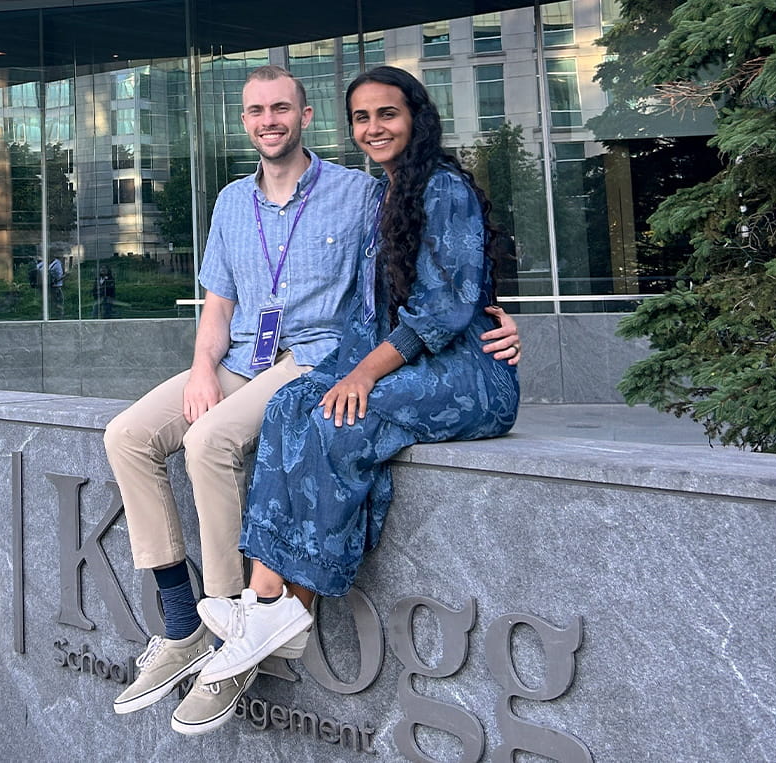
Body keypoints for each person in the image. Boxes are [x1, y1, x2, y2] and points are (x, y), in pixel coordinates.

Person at [102, 65, 521, 735]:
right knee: (126, 434)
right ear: (244, 121)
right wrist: (201, 367)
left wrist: (493, 322)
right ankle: (184, 623)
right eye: (255, 110)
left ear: (304, 117)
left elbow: (449, 284)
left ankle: (232, 629)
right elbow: (222, 306)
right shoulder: (241, 201)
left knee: (228, 436)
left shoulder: (362, 193)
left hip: (322, 356)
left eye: (281, 107)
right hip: (246, 357)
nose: (268, 119)